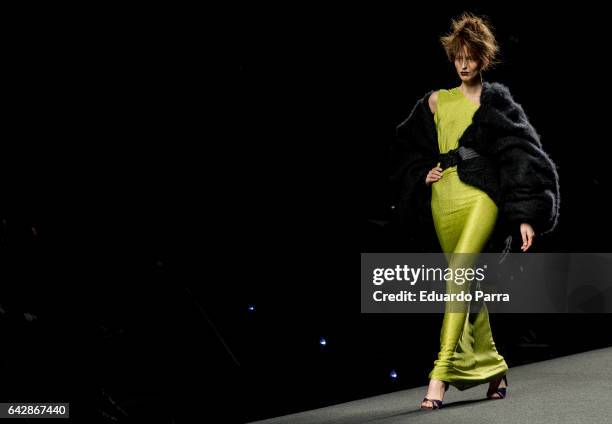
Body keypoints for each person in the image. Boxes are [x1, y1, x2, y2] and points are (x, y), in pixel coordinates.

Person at [389, 12, 560, 410]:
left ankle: (439, 376)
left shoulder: (495, 102)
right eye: (457, 57)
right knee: (466, 285)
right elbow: (403, 148)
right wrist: (421, 173)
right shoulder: (435, 101)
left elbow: (524, 153)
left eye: (470, 57)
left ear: (483, 59)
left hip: (481, 196)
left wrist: (524, 214)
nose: (463, 64)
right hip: (443, 200)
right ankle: (495, 369)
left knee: (459, 276)